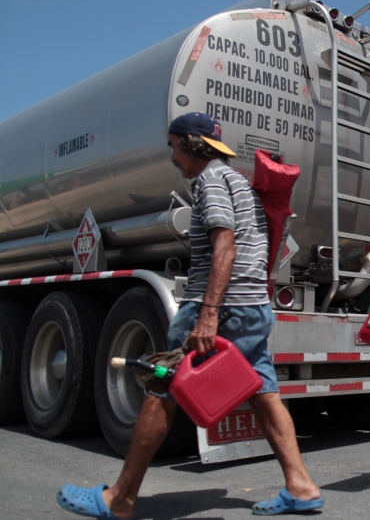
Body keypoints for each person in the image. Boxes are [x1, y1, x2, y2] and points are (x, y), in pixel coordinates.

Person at [56, 112, 323, 518]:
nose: (172, 156)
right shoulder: (236, 181)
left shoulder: (212, 181)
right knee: (265, 395)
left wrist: (208, 314)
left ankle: (122, 498)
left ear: (189, 143)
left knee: (161, 388)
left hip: (222, 307)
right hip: (252, 307)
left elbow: (225, 247)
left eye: (172, 146)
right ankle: (301, 487)